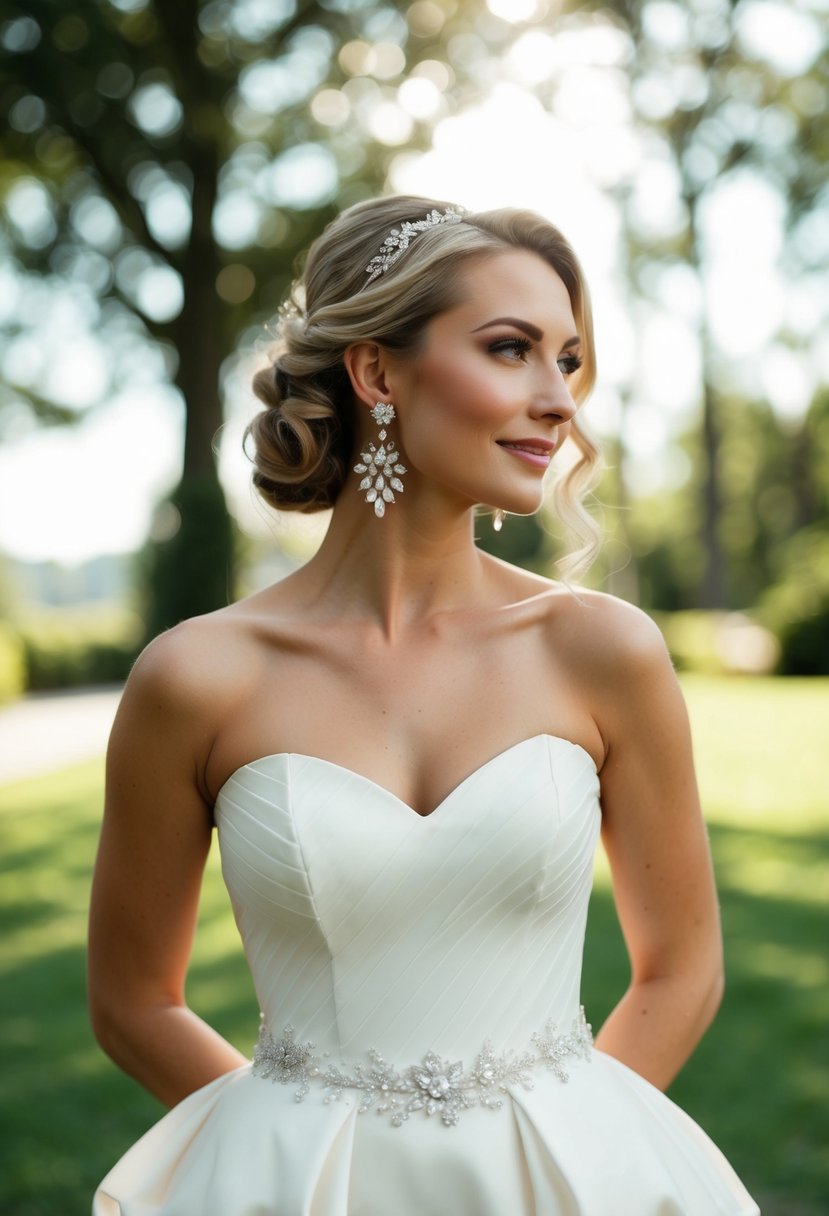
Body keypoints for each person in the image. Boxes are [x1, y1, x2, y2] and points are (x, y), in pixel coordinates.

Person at [89, 195, 759, 1215]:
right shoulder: (195, 678)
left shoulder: (602, 651)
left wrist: (572, 1165)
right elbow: (133, 1000)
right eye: (510, 349)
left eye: (567, 360)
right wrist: (296, 1164)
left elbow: (682, 970)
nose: (557, 399)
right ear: (377, 371)